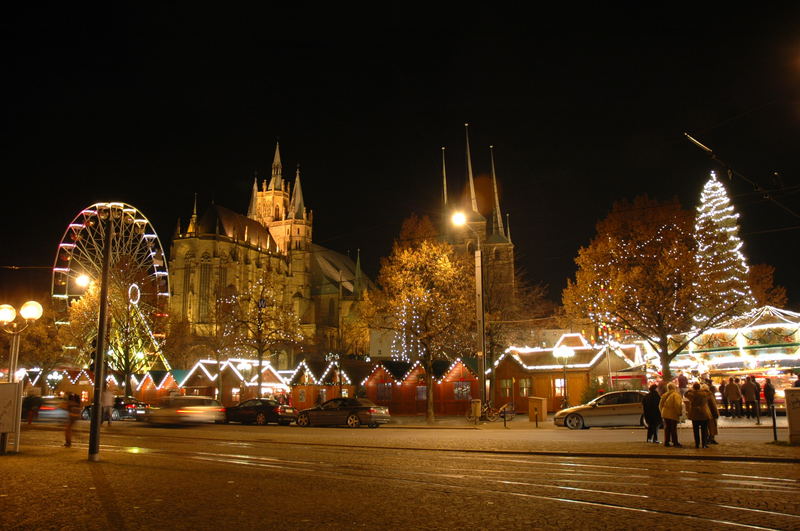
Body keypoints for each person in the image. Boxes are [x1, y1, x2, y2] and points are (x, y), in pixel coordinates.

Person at [685, 382, 712, 448]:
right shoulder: (704, 394)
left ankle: (697, 444)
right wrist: (704, 389)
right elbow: (710, 393)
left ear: (693, 387)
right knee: (704, 430)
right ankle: (704, 444)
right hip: (703, 412)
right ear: (699, 387)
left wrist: (689, 390)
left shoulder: (692, 394)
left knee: (695, 430)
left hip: (694, 413)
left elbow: (685, 394)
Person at [659, 383, 683, 448]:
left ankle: (666, 442)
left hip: (665, 413)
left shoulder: (664, 395)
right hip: (673, 413)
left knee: (667, 428)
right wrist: (679, 412)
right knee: (673, 428)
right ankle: (675, 442)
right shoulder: (675, 395)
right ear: (674, 387)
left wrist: (662, 412)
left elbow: (660, 405)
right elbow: (677, 405)